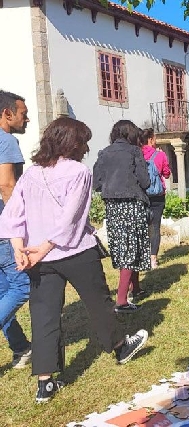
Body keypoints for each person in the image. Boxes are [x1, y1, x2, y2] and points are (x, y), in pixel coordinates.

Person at [0, 117, 147, 403]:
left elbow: (12, 215)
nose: (87, 147)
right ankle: (120, 348)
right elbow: (71, 218)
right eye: (83, 141)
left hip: (38, 257)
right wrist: (40, 249)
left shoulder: (31, 174)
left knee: (43, 316)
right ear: (72, 143)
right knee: (98, 303)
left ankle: (45, 383)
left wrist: (20, 248)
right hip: (75, 251)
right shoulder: (78, 172)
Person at [93, 120, 151, 313]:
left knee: (124, 247)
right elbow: (145, 181)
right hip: (132, 203)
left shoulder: (103, 153)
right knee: (133, 248)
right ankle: (121, 301)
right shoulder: (135, 152)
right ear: (131, 134)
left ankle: (137, 288)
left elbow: (96, 183)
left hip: (112, 206)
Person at [0, 90, 32, 369]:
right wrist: (19, 227)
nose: (27, 118)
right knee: (23, 287)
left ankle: (21, 348)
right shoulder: (6, 140)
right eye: (23, 113)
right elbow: (7, 185)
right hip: (3, 231)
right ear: (7, 114)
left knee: (2, 293)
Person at [141, 128, 172, 269]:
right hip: (157, 196)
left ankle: (142, 256)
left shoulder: (136, 154)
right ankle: (153, 258)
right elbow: (166, 174)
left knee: (141, 226)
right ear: (151, 139)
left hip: (141, 196)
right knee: (155, 227)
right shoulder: (159, 155)